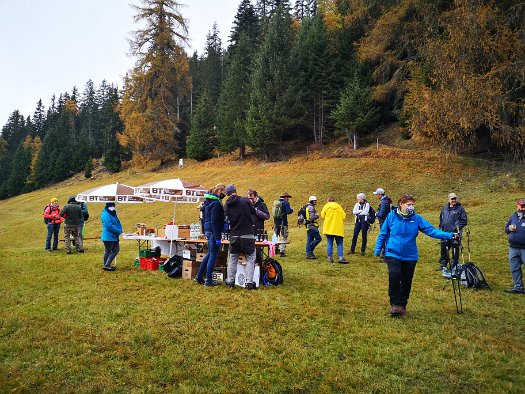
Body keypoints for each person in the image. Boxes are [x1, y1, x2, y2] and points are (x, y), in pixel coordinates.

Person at [374, 194, 457, 317]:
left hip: (410, 256)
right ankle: (394, 304)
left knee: (407, 281)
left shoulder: (416, 218)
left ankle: (402, 305)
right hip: (392, 253)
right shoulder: (391, 217)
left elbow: (431, 230)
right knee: (395, 277)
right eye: (409, 204)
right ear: (401, 205)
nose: (411, 207)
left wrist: (449, 235)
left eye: (412, 204)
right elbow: (383, 233)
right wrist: (377, 249)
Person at [224, 184, 257, 290]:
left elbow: (226, 218)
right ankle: (248, 282)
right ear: (235, 191)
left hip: (234, 235)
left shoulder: (226, 205)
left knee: (233, 259)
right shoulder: (245, 200)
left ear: (227, 194)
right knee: (250, 259)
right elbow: (253, 212)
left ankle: (230, 281)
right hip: (248, 234)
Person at [194, 184, 226, 287]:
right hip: (213, 231)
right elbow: (215, 221)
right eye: (224, 192)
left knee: (209, 254)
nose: (224, 194)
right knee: (213, 255)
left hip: (208, 230)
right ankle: (208, 280)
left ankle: (199, 276)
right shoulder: (216, 203)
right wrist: (217, 237)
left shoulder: (208, 202)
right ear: (219, 191)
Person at [438, 192, 468, 273]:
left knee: (455, 249)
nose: (454, 200)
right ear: (449, 199)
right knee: (444, 248)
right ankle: (443, 264)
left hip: (455, 233)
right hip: (444, 233)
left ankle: (454, 264)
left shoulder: (460, 208)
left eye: (455, 198)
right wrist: (441, 228)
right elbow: (441, 219)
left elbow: (464, 220)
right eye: (452, 198)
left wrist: (457, 228)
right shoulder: (444, 208)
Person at [503, 198, 525, 294]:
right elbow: (506, 229)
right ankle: (518, 288)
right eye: (521, 206)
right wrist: (509, 228)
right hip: (513, 247)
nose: (523, 208)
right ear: (517, 206)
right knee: (514, 268)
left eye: (524, 207)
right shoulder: (513, 216)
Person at [320, 196, 349, 264]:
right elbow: (344, 216)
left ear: (328, 200)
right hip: (338, 228)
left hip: (329, 228)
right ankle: (340, 258)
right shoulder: (339, 207)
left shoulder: (326, 206)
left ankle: (330, 258)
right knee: (339, 243)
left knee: (330, 243)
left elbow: (322, 215)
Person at [247, 189, 270, 264]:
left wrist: (256, 211)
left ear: (256, 197)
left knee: (258, 251)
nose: (250, 200)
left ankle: (259, 267)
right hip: (248, 230)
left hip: (258, 230)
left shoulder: (261, 204)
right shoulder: (246, 204)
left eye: (252, 198)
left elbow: (267, 216)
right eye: (249, 198)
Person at [100, 202, 122, 271]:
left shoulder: (113, 213)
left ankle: (106, 264)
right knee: (109, 250)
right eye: (111, 206)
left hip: (114, 236)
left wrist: (120, 230)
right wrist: (118, 231)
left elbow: (118, 223)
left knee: (116, 250)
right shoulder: (105, 214)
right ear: (108, 206)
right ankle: (106, 265)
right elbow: (109, 226)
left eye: (113, 205)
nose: (113, 207)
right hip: (108, 236)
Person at [373, 187, 392, 259]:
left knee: (385, 238)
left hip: (384, 223)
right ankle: (385, 254)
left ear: (380, 194)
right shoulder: (387, 201)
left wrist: (376, 214)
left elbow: (381, 214)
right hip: (387, 222)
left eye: (377, 194)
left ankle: (386, 255)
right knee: (386, 238)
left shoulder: (383, 203)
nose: (377, 196)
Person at [273, 192, 293, 257]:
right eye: (288, 198)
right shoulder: (286, 203)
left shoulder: (276, 202)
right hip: (283, 223)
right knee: (284, 236)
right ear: (286, 197)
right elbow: (288, 211)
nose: (288, 199)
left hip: (276, 222)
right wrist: (292, 210)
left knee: (276, 235)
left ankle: (275, 249)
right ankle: (282, 251)